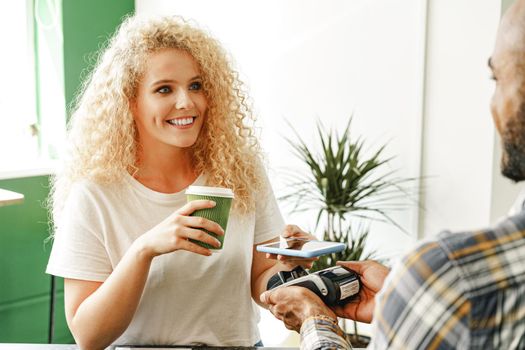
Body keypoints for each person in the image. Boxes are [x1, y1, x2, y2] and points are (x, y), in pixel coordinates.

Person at [261, 1, 525, 349]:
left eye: (497, 78)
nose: (493, 102)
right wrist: (403, 300)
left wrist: (316, 319)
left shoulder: (453, 277)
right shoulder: (451, 285)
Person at [45, 14, 314, 349]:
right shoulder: (95, 194)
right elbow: (88, 336)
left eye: (196, 85)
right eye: (164, 89)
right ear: (130, 101)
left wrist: (288, 267)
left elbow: (262, 280)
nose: (186, 102)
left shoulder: (240, 171)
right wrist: (144, 250)